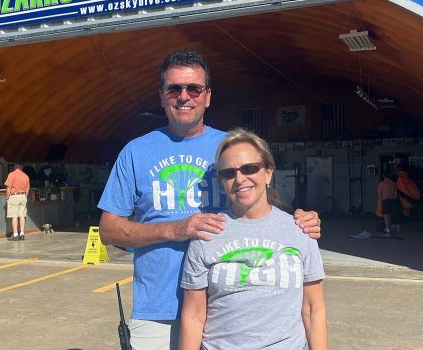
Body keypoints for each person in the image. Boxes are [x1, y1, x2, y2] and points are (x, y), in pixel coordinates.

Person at [97, 49, 321, 349]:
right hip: (158, 308)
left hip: (228, 309)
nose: (184, 96)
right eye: (174, 88)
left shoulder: (231, 148)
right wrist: (175, 229)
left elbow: (264, 206)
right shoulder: (135, 153)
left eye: (194, 88)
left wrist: (301, 221)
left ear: (208, 96)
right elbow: (108, 229)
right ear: (161, 96)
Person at [180, 129, 327, 350]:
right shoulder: (206, 234)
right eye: (229, 173)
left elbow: (313, 309)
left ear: (268, 173)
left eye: (249, 168)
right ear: (221, 182)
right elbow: (193, 316)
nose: (239, 178)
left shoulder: (299, 230)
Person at [5, 163, 30, 241]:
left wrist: (7, 197)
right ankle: (22, 234)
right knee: (22, 215)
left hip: (14, 196)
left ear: (15, 167)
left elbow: (8, 187)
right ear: (21, 168)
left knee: (14, 215)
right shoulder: (26, 176)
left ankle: (15, 234)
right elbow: (28, 188)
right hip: (23, 196)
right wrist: (25, 196)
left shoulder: (12, 174)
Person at [378, 170, 399, 236]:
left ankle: (387, 229)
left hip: (385, 200)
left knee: (386, 214)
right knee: (390, 214)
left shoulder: (381, 184)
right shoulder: (393, 183)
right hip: (392, 200)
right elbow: (396, 194)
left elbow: (379, 194)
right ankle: (389, 227)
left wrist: (380, 200)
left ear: (384, 176)